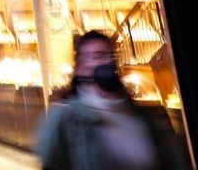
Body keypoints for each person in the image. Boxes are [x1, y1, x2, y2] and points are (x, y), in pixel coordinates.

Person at [37, 31, 188, 170]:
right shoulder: (65, 119)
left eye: (110, 55)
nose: (107, 62)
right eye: (98, 56)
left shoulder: (145, 116)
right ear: (81, 68)